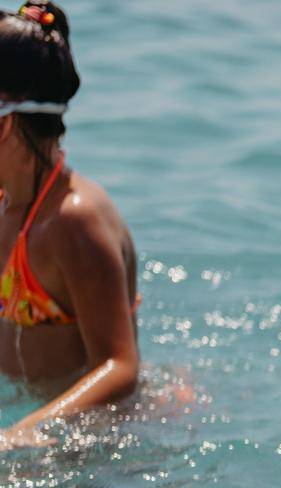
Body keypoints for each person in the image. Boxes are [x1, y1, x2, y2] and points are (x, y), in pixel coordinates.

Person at [0, 2, 140, 451]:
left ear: (5, 125)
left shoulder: (73, 221)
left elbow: (119, 366)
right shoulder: (5, 203)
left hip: (96, 444)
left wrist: (23, 432)